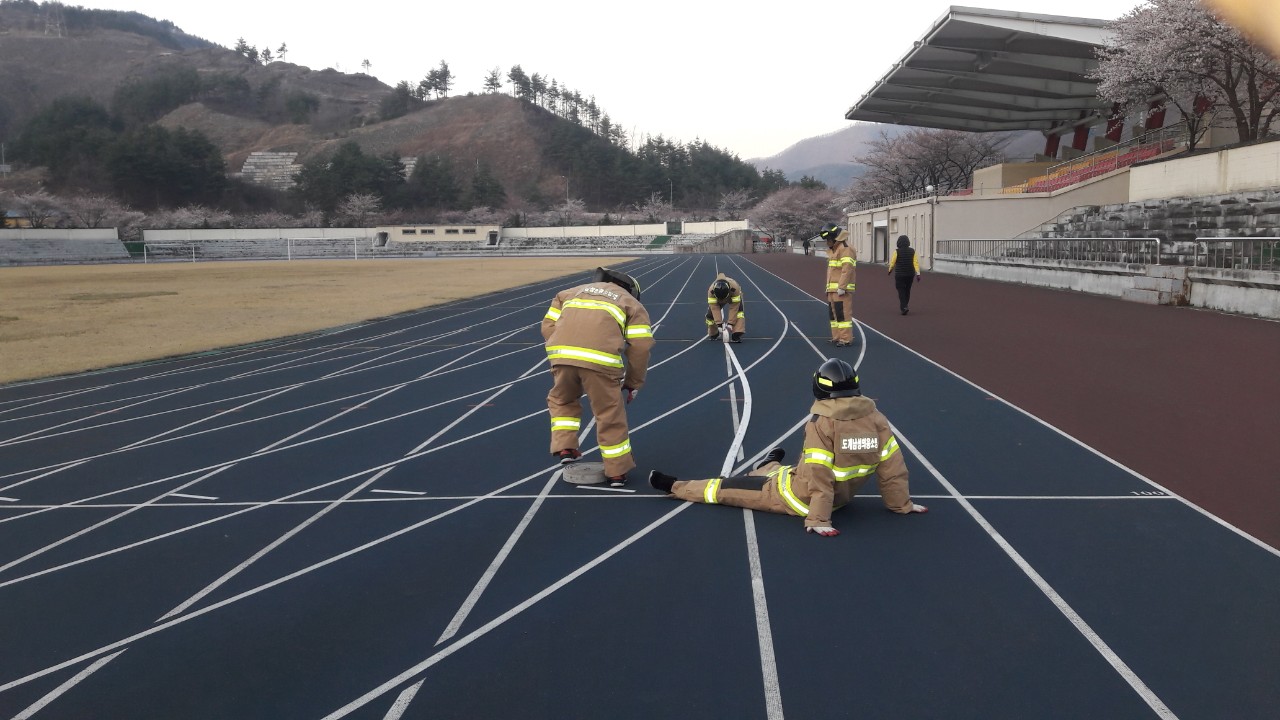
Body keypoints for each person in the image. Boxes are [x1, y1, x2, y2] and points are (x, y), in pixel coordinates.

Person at [648, 359, 928, 535]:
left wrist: (818, 519)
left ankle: (675, 486)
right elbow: (893, 467)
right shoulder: (877, 419)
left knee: (723, 488)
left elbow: (819, 474)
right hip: (840, 499)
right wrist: (901, 504)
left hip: (796, 498)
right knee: (783, 471)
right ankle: (768, 465)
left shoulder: (821, 423)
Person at [543, 266, 655, 487]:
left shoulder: (568, 293)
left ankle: (565, 447)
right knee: (608, 414)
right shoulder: (631, 303)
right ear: (630, 289)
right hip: (601, 362)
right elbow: (641, 347)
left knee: (561, 400)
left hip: (562, 356)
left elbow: (548, 326)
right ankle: (616, 472)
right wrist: (633, 382)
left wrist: (564, 350)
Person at [818, 223, 856, 346]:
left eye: (828, 239)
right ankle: (837, 337)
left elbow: (847, 269)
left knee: (843, 315)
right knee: (834, 316)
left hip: (841, 290)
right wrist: (828, 287)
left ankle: (845, 339)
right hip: (832, 289)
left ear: (834, 238)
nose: (827, 242)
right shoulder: (834, 250)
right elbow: (832, 271)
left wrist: (842, 287)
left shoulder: (845, 248)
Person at [886, 234, 922, 315]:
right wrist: (918, 273)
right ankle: (906, 305)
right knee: (907, 290)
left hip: (900, 274)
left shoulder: (897, 251)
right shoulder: (912, 251)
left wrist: (890, 270)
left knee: (901, 290)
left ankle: (904, 307)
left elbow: (893, 262)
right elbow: (915, 263)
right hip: (910, 274)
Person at [706, 272, 745, 342]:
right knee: (710, 316)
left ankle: (736, 333)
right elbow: (714, 308)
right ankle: (714, 333)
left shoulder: (735, 288)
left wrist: (730, 324)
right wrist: (719, 324)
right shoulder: (711, 291)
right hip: (717, 299)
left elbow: (734, 307)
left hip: (732, 296)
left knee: (739, 312)